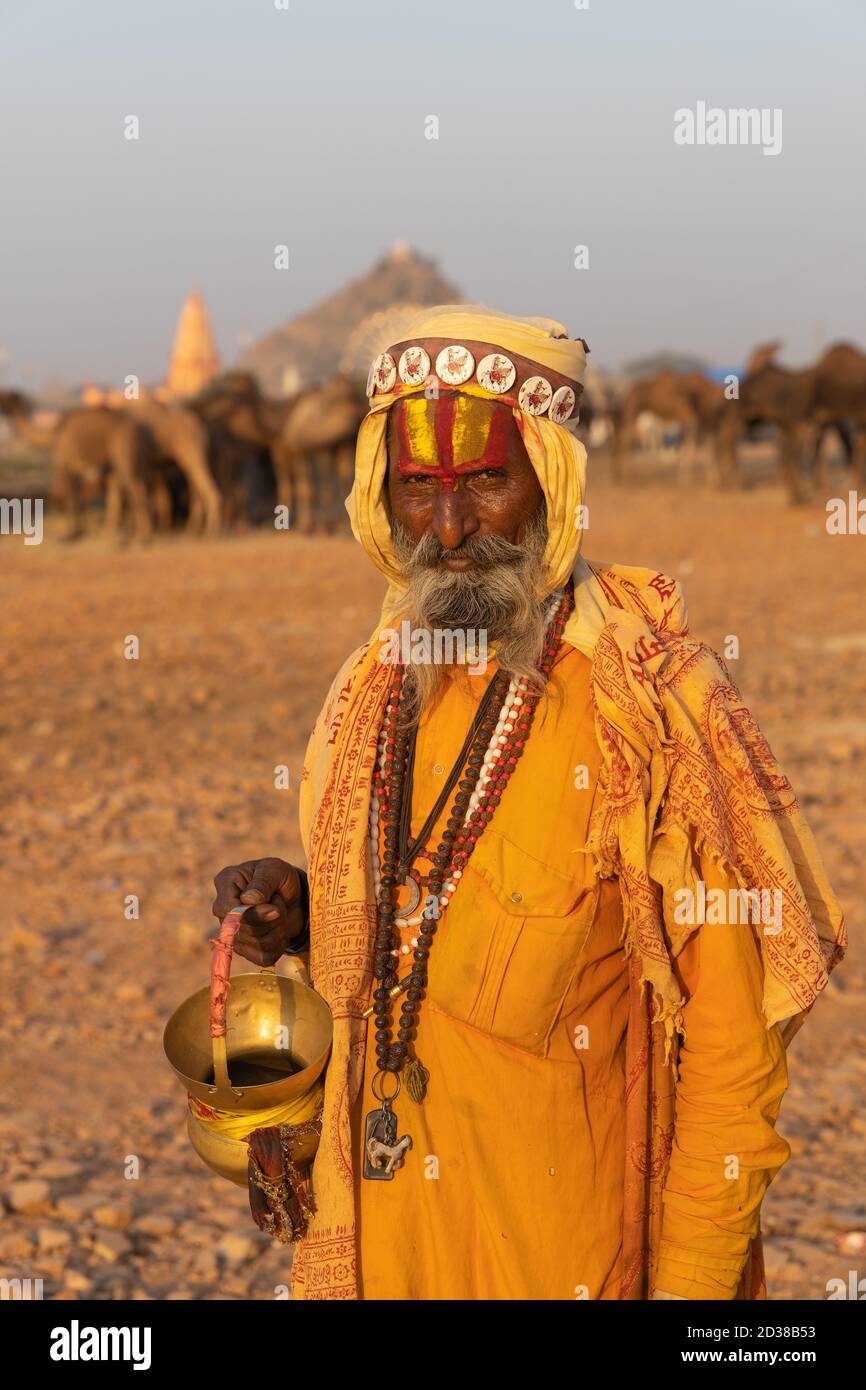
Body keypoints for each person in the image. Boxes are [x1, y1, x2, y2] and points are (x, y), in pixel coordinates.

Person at [211, 305, 845, 1301]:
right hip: (387, 1244)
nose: (449, 529)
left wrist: (688, 1290)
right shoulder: (370, 690)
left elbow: (731, 1048)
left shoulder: (652, 704)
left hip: (567, 1252)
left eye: (485, 483)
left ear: (548, 483)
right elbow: (429, 911)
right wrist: (309, 916)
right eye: (417, 487)